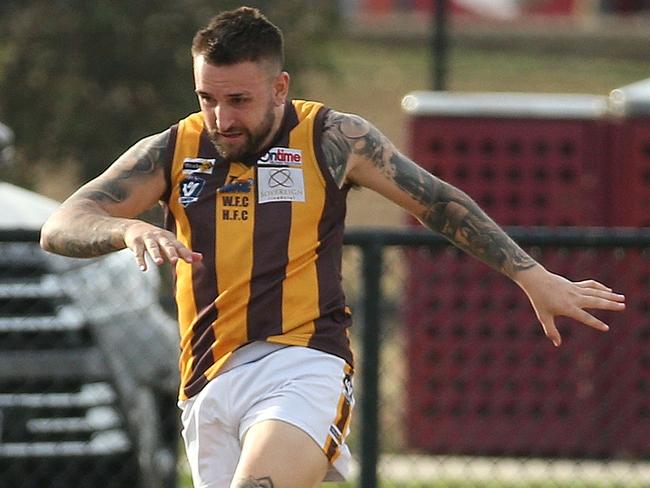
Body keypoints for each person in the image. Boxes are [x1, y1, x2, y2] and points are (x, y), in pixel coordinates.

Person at [40, 6, 626, 488]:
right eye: (206, 99)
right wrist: (127, 228)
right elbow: (63, 223)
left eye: (238, 100)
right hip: (206, 381)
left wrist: (530, 275)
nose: (221, 118)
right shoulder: (173, 150)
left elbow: (437, 201)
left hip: (303, 365)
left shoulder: (333, 139)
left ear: (280, 86)